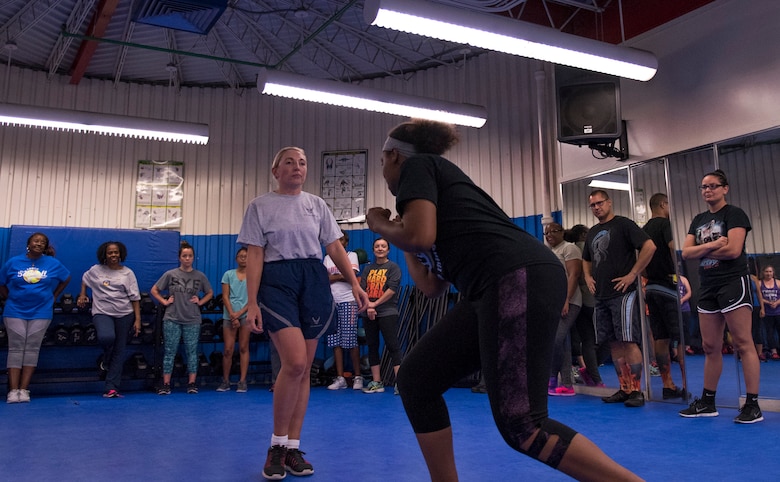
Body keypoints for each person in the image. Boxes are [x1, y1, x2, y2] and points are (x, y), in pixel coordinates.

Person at [366, 119, 640, 481]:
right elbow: (431, 285)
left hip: (515, 276)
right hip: (493, 288)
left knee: (523, 425)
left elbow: (418, 235)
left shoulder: (419, 166)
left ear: (394, 156)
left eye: (383, 161)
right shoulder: (436, 200)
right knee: (416, 380)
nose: (383, 171)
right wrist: (400, 235)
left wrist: (378, 224)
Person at [237, 146, 369, 480]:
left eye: (302, 163)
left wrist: (354, 284)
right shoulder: (259, 206)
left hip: (312, 279)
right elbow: (254, 255)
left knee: (304, 368)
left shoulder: (316, 205)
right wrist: (252, 302)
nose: (297, 167)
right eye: (289, 162)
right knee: (294, 363)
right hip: (277, 282)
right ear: (275, 170)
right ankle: (276, 446)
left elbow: (335, 246)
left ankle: (293, 447)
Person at [679, 169, 762, 423]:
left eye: (713, 186)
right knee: (710, 346)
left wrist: (700, 251)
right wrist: (713, 245)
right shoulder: (699, 219)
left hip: (732, 283)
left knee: (743, 343)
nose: (708, 190)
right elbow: (685, 253)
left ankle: (752, 405)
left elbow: (734, 250)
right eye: (704, 187)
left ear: (725, 188)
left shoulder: (734, 214)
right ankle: (707, 402)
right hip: (708, 287)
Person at [582, 189, 656, 408]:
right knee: (613, 342)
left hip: (624, 293)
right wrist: (587, 277)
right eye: (593, 205)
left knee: (628, 339)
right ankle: (624, 388)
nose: (597, 207)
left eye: (599, 203)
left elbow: (650, 246)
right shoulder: (593, 231)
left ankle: (637, 391)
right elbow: (586, 258)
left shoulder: (624, 225)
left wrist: (633, 274)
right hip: (602, 294)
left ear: (609, 202)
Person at [1, 232, 71, 403]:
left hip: (41, 311)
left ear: (45, 247)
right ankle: (13, 390)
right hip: (15, 311)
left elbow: (66, 278)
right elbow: (1, 283)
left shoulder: (52, 263)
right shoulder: (14, 262)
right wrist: (8, 297)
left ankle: (24, 390)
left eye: (42, 242)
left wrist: (54, 296)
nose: (39, 244)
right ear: (29, 244)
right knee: (16, 348)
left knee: (32, 348)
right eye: (35, 241)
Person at [77, 241, 141, 398]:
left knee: (120, 351)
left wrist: (137, 319)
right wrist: (83, 294)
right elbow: (85, 279)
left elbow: (135, 298)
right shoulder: (96, 270)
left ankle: (111, 387)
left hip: (125, 314)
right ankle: (105, 361)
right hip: (102, 312)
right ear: (104, 255)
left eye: (116, 252)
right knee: (107, 337)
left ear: (121, 254)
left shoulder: (128, 273)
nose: (114, 255)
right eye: (110, 252)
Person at [151, 241, 213, 396]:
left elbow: (210, 293)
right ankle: (166, 384)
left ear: (193, 258)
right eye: (184, 256)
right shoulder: (171, 274)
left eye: (190, 256)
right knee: (170, 351)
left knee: (192, 352)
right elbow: (154, 290)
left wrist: (200, 302)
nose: (187, 258)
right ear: (179, 258)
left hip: (192, 318)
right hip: (172, 317)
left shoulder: (200, 276)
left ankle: (192, 383)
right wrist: (165, 302)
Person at [641, 193, 686, 400]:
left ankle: (667, 384)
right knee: (679, 337)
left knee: (660, 337)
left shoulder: (643, 230)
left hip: (651, 288)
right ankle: (686, 384)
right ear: (662, 204)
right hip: (667, 286)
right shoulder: (665, 225)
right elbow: (672, 248)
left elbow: (639, 260)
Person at [360, 237, 402, 395]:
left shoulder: (393, 267)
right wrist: (368, 306)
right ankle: (377, 382)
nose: (380, 248)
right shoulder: (367, 269)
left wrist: (374, 305)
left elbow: (391, 290)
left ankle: (400, 383)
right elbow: (362, 288)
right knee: (372, 346)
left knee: (393, 346)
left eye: (383, 246)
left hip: (387, 312)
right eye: (377, 246)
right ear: (373, 250)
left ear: (388, 250)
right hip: (369, 312)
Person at [544, 222, 581, 396]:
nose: (549, 235)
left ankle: (551, 378)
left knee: (555, 339)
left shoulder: (569, 248)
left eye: (553, 231)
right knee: (563, 342)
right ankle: (567, 384)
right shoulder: (551, 252)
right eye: (546, 233)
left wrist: (566, 299)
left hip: (570, 302)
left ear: (562, 232)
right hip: (555, 302)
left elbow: (574, 275)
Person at [325, 231, 363, 391]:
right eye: (335, 239)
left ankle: (358, 376)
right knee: (335, 341)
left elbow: (352, 275)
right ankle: (340, 377)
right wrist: (342, 275)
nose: (338, 242)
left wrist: (336, 276)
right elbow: (324, 278)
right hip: (332, 301)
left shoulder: (352, 255)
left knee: (351, 340)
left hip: (349, 301)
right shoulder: (327, 258)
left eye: (341, 240)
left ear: (346, 242)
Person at [566, 224, 604, 387]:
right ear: (583, 234)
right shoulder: (589, 250)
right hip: (594, 300)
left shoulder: (572, 250)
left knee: (588, 340)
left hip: (580, 302)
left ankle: (595, 377)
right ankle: (592, 373)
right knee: (604, 339)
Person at [217, 247, 251, 392]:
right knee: (228, 349)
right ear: (236, 259)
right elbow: (225, 296)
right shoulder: (228, 275)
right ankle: (225, 381)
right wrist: (232, 314)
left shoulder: (254, 276)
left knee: (243, 348)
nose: (243, 258)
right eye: (240, 256)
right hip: (229, 317)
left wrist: (240, 314)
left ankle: (242, 381)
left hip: (246, 316)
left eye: (246, 256)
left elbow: (253, 299)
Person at [759, 265, 779, 360]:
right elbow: (758, 297)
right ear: (763, 273)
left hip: (778, 311)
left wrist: (776, 302)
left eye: (770, 271)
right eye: (766, 271)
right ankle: (774, 351)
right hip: (767, 312)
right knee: (769, 332)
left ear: (773, 272)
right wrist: (767, 302)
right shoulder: (760, 283)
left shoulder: (778, 283)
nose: (768, 273)